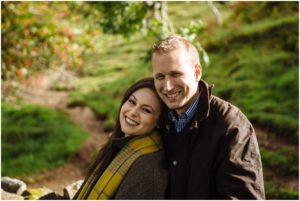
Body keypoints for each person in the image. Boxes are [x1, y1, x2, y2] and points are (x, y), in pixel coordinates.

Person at [151, 35, 265, 199]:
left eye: (175, 74)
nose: (167, 87)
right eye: (160, 77)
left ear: (197, 72)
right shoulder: (156, 118)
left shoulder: (231, 126)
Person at [73, 77, 168, 200]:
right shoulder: (119, 147)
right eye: (132, 102)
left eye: (146, 110)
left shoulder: (148, 169)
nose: (133, 112)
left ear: (159, 122)